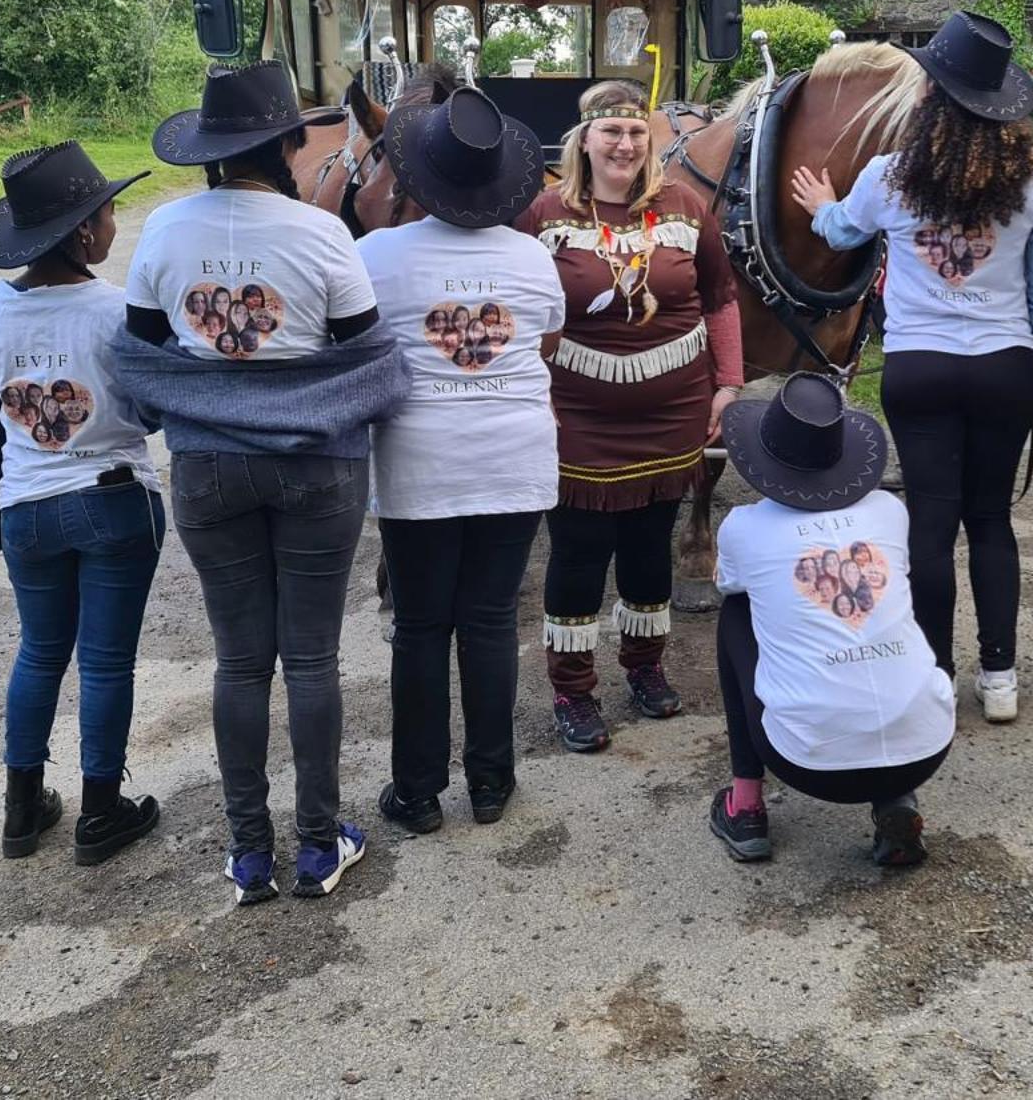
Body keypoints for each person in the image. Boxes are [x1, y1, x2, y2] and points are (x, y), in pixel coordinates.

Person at [116, 61, 409, 905]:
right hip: (318, 465)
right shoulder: (322, 235)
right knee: (311, 658)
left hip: (207, 467)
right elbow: (365, 353)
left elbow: (139, 355)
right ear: (287, 142)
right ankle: (319, 845)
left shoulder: (164, 233)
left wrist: (207, 386)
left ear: (210, 152)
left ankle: (250, 855)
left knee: (240, 663)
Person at [792, 12, 1033, 724]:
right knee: (991, 524)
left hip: (918, 368)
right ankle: (1002, 677)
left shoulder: (891, 175)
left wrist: (823, 205)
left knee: (930, 523)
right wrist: (1019, 341)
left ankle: (937, 670)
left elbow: (843, 231)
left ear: (928, 97)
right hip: (1003, 367)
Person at [513, 80, 745, 753]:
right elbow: (521, 314)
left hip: (675, 413)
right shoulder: (544, 215)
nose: (625, 143)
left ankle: (645, 669)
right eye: (611, 131)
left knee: (650, 550)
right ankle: (573, 688)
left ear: (651, 139)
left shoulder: (685, 205)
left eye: (636, 131)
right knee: (580, 554)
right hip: (575, 415)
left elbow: (721, 299)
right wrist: (532, 397)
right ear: (584, 139)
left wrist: (727, 385)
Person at [355, 84, 560, 833]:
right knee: (490, 620)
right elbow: (546, 343)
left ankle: (415, 792)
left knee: (419, 626)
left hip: (419, 463)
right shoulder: (533, 259)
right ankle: (490, 782)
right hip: (516, 462)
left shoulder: (374, 255)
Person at [0, 141, 165, 867]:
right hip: (112, 501)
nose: (112, 226)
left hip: (27, 509)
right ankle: (101, 813)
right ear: (82, 232)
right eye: (108, 215)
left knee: (40, 652)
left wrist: (34, 410)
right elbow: (150, 414)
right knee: (106, 664)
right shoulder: (118, 312)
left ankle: (23, 808)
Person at [708, 374, 956, 866]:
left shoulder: (744, 527)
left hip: (809, 764)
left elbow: (727, 583)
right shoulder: (889, 511)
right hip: (926, 751)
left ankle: (746, 804)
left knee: (737, 612)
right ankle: (896, 801)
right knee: (888, 606)